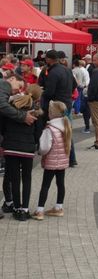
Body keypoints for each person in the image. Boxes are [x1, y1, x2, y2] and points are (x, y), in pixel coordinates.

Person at [1, 80, 43, 221]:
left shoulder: (11, 107)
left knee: (14, 178)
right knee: (27, 179)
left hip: (11, 148)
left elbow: (3, 127)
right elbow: (38, 134)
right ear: (38, 98)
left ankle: (16, 207)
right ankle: (25, 209)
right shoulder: (36, 112)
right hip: (27, 149)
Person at [32, 101, 72, 220]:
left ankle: (40, 211)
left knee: (45, 185)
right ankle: (59, 207)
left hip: (51, 161)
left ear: (50, 114)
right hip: (63, 161)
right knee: (60, 184)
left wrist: (40, 152)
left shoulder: (49, 129)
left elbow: (44, 147)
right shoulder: (66, 126)